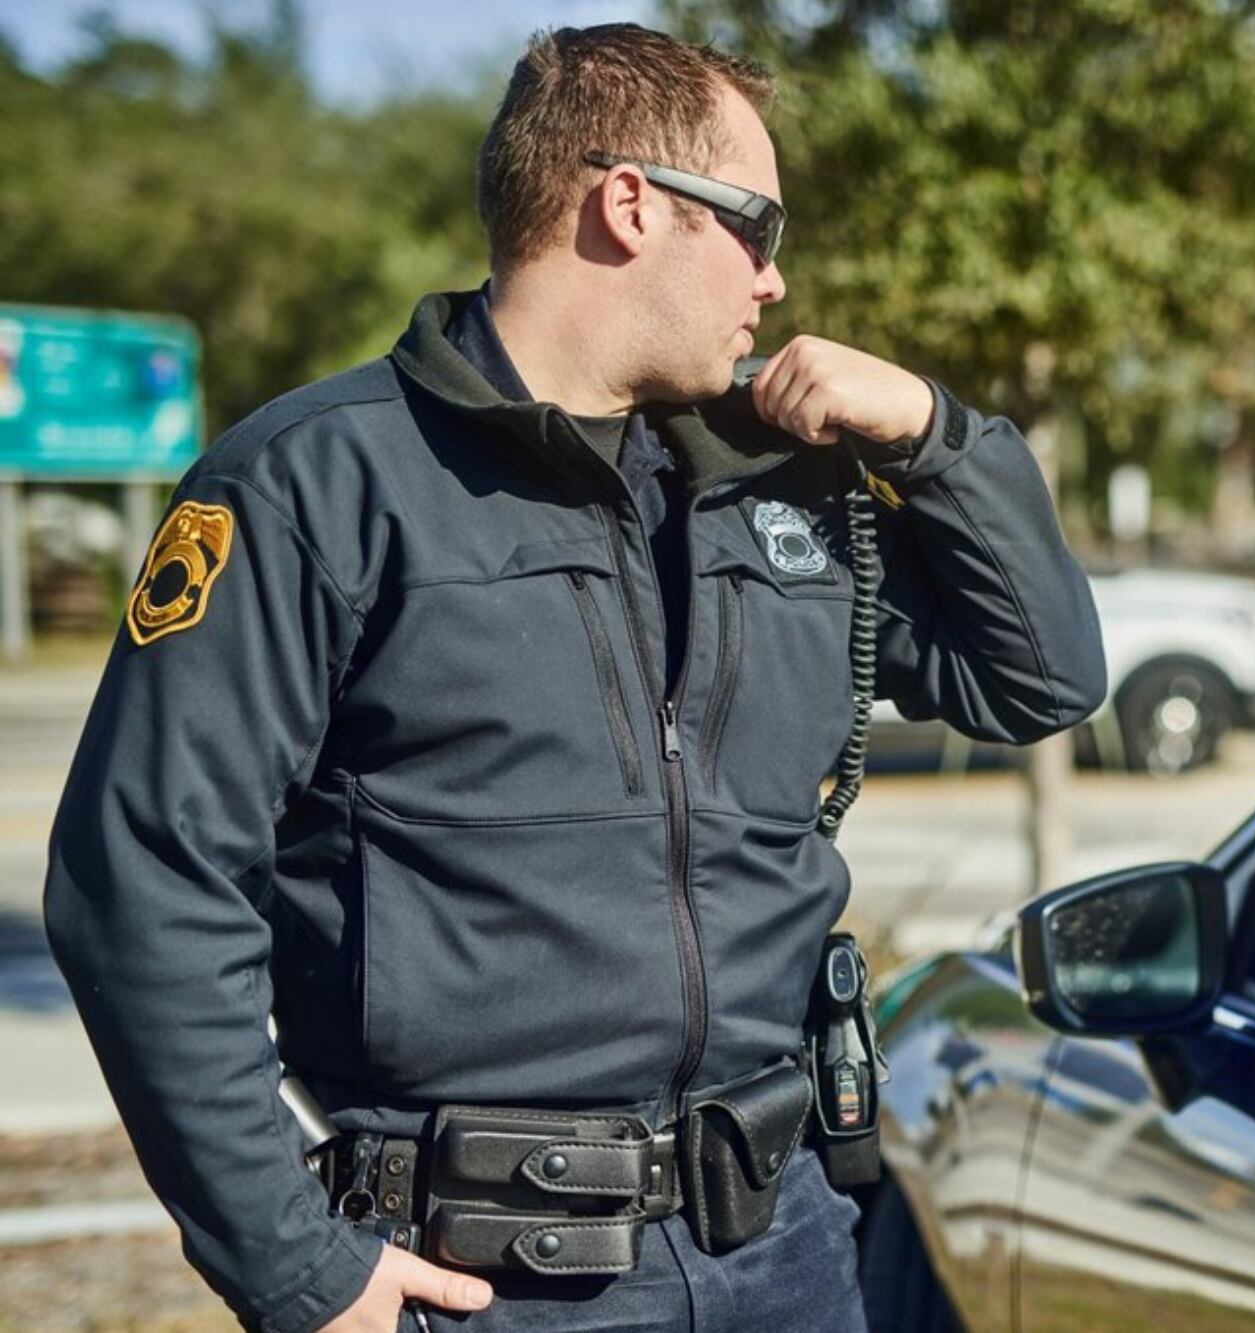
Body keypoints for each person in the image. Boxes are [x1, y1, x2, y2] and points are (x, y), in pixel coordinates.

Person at [43, 24, 1105, 1333]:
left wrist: (938, 438)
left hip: (786, 1248)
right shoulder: (316, 482)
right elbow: (145, 880)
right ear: (632, 205)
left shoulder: (776, 482)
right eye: (759, 227)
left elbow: (1040, 679)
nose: (775, 279)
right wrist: (296, 1268)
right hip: (485, 1278)